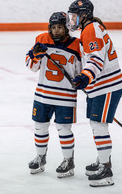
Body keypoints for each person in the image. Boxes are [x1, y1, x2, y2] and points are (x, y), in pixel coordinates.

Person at [67, 0, 122, 187]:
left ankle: (106, 169)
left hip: (107, 86)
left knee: (99, 125)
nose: (72, 20)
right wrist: (87, 79)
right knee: (96, 123)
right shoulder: (91, 28)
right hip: (101, 86)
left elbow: (97, 59)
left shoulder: (91, 29)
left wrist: (85, 76)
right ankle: (103, 161)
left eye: (75, 16)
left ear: (84, 15)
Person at [25, 12, 82, 178]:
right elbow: (31, 66)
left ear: (67, 28)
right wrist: (35, 55)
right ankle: (40, 157)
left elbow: (81, 69)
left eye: (60, 27)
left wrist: (82, 78)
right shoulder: (42, 40)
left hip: (66, 97)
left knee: (64, 129)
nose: (56, 31)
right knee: (40, 126)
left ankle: (68, 161)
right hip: (43, 94)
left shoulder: (78, 45)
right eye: (53, 27)